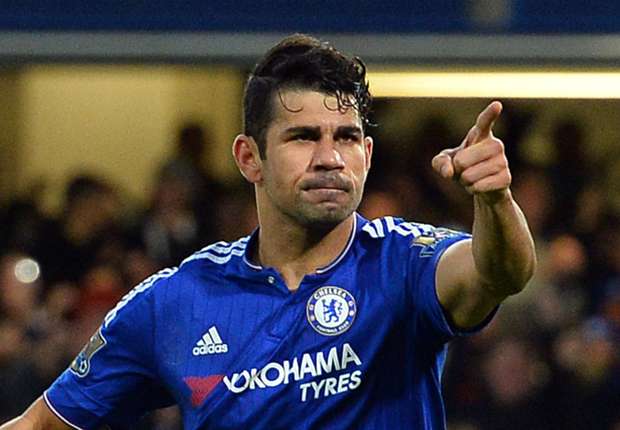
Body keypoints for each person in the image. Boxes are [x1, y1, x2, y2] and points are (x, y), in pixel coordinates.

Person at [1, 34, 536, 430]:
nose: (330, 158)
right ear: (248, 158)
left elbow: (501, 272)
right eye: (303, 137)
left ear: (368, 155)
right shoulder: (175, 302)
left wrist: (495, 200)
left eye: (347, 138)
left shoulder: (404, 262)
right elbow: (42, 424)